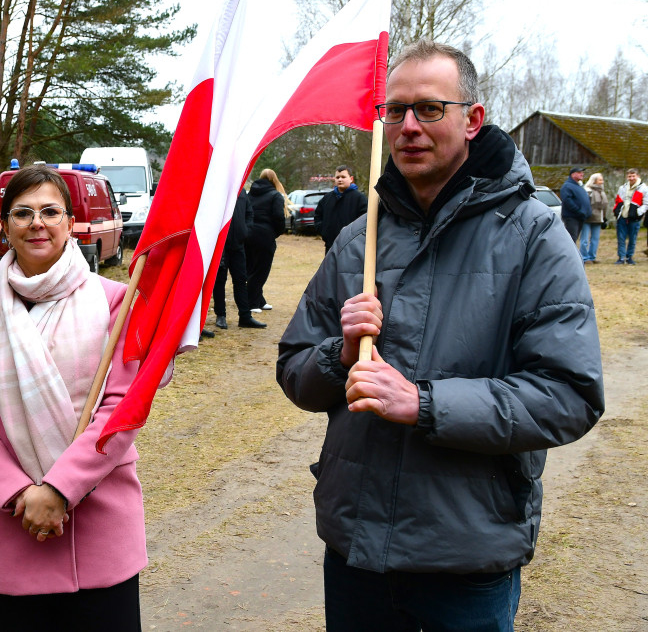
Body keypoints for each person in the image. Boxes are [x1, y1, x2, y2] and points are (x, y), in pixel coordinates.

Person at [276, 41, 604, 631]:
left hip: (465, 558)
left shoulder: (533, 238)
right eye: (394, 111)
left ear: (472, 120)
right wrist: (339, 355)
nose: (407, 127)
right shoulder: (358, 239)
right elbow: (295, 370)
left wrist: (424, 404)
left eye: (429, 109)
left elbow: (569, 395)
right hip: (356, 553)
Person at [0, 165, 145, 632]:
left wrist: (60, 489)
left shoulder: (114, 300)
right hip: (17, 522)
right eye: (23, 212)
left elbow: (122, 408)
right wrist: (24, 494)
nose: (38, 222)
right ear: (5, 227)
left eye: (51, 211)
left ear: (71, 224)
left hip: (99, 523)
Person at [213, 178, 266, 329]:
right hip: (221, 246)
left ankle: (245, 316)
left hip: (238, 245)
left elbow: (249, 213)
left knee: (241, 280)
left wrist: (246, 231)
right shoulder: (217, 191)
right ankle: (220, 315)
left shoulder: (241, 191)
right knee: (219, 281)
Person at [246, 168, 287, 312]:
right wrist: (276, 232)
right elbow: (279, 217)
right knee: (261, 270)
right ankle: (252, 303)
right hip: (265, 235)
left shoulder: (250, 193)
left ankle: (259, 300)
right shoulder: (275, 195)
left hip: (249, 234)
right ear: (274, 179)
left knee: (252, 268)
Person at [314, 165, 368, 253]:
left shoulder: (359, 199)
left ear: (351, 178)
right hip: (330, 246)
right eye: (337, 177)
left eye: (343, 177)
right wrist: (324, 231)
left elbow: (365, 220)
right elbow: (318, 216)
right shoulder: (327, 198)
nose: (340, 179)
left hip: (352, 248)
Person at [613, 167, 647, 264]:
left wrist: (638, 213)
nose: (631, 178)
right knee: (621, 238)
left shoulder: (643, 188)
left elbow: (646, 204)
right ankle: (621, 257)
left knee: (632, 239)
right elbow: (618, 201)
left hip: (634, 218)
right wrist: (616, 211)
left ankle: (629, 257)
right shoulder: (622, 188)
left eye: (633, 176)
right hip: (622, 217)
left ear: (637, 176)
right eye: (629, 176)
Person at [579, 172, 608, 263]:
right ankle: (584, 257)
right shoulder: (587, 190)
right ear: (594, 181)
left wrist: (604, 217)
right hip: (588, 218)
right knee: (585, 239)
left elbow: (604, 206)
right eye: (600, 180)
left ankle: (592, 256)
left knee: (595, 238)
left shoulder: (601, 191)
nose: (601, 182)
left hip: (598, 218)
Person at [560, 166, 591, 243]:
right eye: (579, 172)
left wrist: (587, 212)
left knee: (574, 238)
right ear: (573, 174)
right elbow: (567, 201)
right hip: (571, 217)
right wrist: (578, 211)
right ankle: (568, 254)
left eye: (582, 172)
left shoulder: (579, 186)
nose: (582, 174)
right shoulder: (567, 186)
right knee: (571, 238)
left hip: (580, 217)